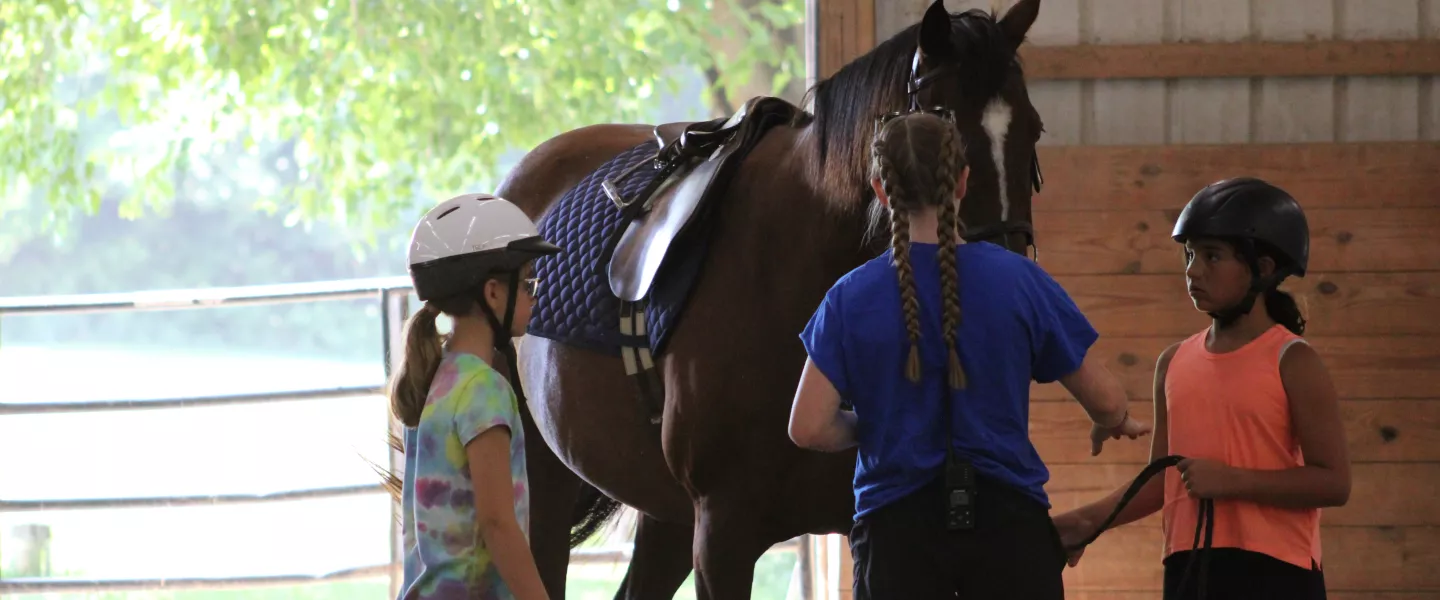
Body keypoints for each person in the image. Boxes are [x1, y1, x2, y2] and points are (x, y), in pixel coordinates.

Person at [785, 110, 1150, 600]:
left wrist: (869, 425)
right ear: (962, 181)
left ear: (879, 189)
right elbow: (1106, 400)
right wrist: (1114, 418)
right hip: (1008, 535)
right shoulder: (1021, 281)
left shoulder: (848, 298)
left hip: (896, 538)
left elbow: (806, 427)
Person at [1052, 178, 1352, 600]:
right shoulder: (1172, 362)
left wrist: (1233, 481)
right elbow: (1163, 483)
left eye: (1212, 256)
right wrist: (1084, 523)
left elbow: (1334, 483)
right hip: (1189, 569)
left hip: (1278, 574)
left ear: (1263, 268)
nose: (1193, 270)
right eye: (1190, 254)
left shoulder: (1294, 360)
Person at [388, 193, 559, 600]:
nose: (534, 296)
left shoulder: (438, 376)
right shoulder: (484, 389)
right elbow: (498, 523)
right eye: (529, 282)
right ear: (494, 292)